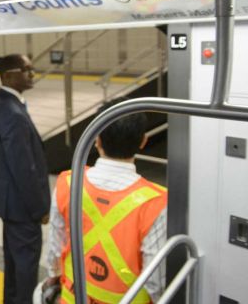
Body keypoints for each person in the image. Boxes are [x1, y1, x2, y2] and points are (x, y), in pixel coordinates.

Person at [44, 99, 167, 303]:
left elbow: (56, 247)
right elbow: (155, 282)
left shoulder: (68, 182)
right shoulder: (157, 202)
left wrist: (53, 278)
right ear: (143, 142)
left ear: (97, 139)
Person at [0, 54, 51, 304]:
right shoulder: (13, 112)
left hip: (8, 202)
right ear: (9, 76)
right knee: (25, 267)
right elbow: (25, 169)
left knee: (13, 262)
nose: (32, 74)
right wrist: (40, 209)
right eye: (27, 70)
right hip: (23, 207)